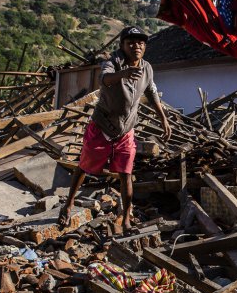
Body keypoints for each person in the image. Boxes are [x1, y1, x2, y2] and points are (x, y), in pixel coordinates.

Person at [59, 26, 171, 231]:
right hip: (102, 125)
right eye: (131, 43)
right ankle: (69, 205)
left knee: (126, 173)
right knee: (84, 166)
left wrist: (163, 118)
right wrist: (124, 74)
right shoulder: (112, 63)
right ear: (123, 46)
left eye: (140, 43)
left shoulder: (147, 68)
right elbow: (104, 79)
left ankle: (126, 218)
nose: (136, 46)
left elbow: (152, 92)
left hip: (126, 130)